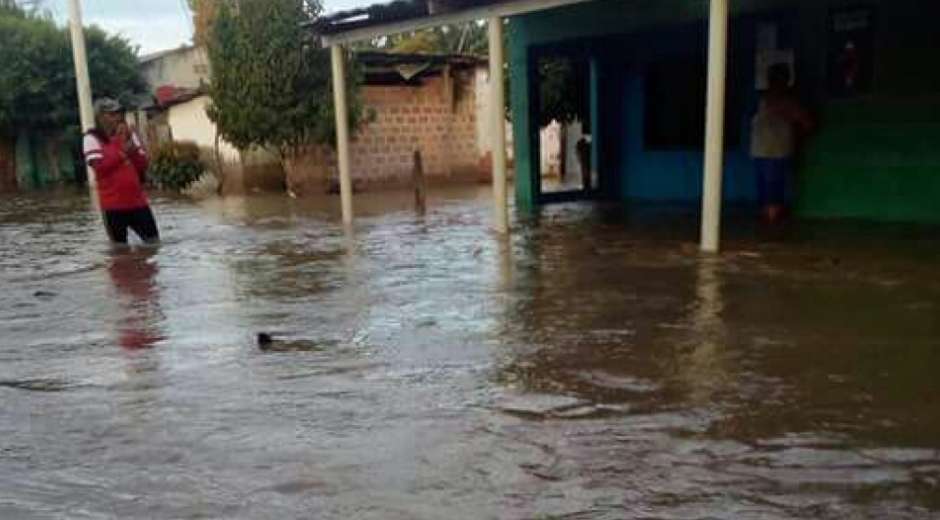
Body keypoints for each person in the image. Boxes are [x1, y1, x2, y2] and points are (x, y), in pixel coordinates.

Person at [83, 98, 160, 244]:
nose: (118, 117)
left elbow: (143, 165)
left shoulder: (128, 135)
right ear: (101, 117)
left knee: (153, 244)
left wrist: (134, 147)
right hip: (113, 207)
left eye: (119, 113)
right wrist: (123, 153)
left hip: (138, 203)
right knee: (119, 252)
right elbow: (100, 168)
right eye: (112, 114)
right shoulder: (91, 138)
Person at [750, 63, 814, 224]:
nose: (773, 83)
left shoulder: (786, 102)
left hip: (775, 153)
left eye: (776, 79)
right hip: (762, 152)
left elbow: (807, 123)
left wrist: (795, 138)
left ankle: (772, 226)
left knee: (772, 194)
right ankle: (769, 226)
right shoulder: (762, 99)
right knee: (766, 193)